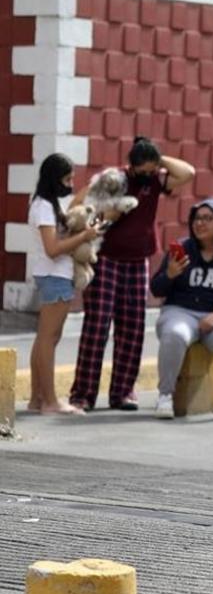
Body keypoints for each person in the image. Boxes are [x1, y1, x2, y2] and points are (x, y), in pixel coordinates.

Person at [69, 137, 195, 411]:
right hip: (106, 259)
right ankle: (83, 394)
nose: (150, 175)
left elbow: (188, 173)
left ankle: (123, 392)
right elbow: (80, 206)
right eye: (145, 170)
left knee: (133, 328)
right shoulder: (113, 180)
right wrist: (108, 215)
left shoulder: (155, 180)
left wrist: (158, 159)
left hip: (139, 261)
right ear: (132, 165)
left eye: (153, 170)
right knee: (97, 326)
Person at [150, 199, 213, 422]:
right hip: (180, 311)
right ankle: (165, 396)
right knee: (175, 334)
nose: (200, 223)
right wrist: (169, 274)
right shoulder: (183, 249)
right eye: (197, 218)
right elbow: (156, 289)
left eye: (208, 218)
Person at [27, 154, 100, 415]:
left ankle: (37, 398)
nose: (70, 183)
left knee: (45, 338)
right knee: (49, 337)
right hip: (54, 275)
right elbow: (52, 249)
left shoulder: (47, 203)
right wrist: (85, 235)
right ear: (54, 178)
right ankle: (50, 401)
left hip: (54, 275)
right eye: (67, 178)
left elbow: (74, 203)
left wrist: (88, 190)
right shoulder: (44, 207)